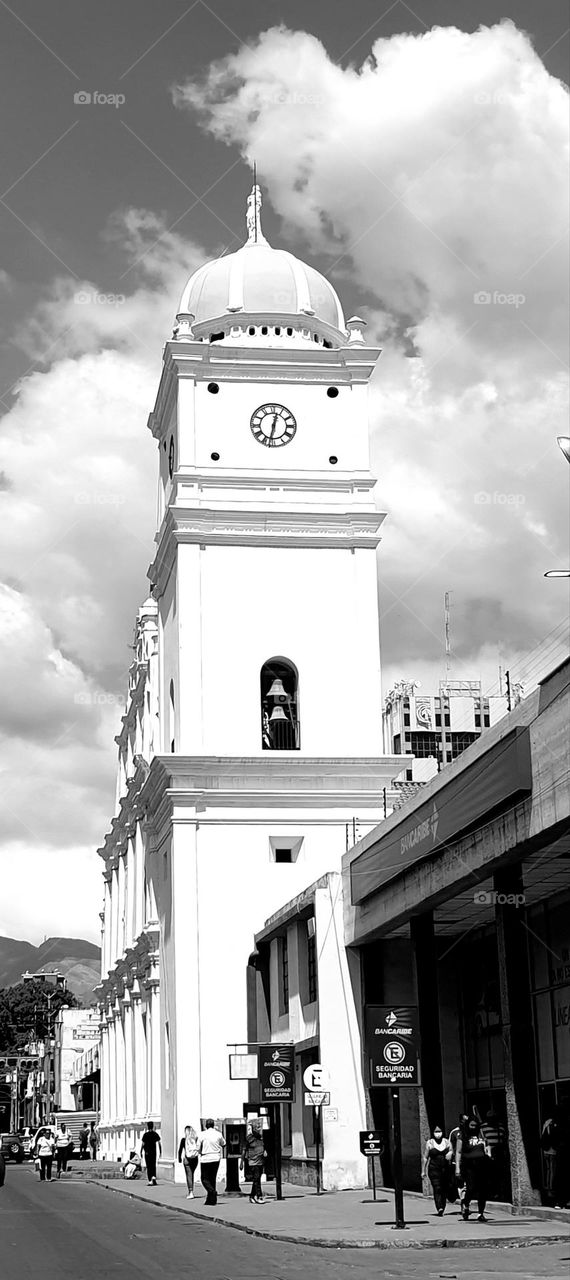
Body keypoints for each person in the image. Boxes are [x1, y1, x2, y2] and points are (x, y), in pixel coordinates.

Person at [456, 1116, 491, 1221]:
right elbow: (458, 1152)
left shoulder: (481, 1135)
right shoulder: (462, 1136)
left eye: (475, 1125)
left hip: (482, 1165)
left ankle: (480, 1213)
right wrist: (457, 1168)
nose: (473, 1127)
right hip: (469, 1165)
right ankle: (465, 1204)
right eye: (471, 1125)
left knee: (483, 1190)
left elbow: (487, 1146)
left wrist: (488, 1153)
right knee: (471, 1188)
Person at [422, 1124, 452, 1215]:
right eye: (436, 1132)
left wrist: (450, 1154)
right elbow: (425, 1157)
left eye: (439, 1131)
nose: (438, 1134)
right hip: (434, 1169)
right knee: (437, 1187)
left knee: (444, 1188)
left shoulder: (446, 1142)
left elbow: (451, 1151)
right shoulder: (430, 1143)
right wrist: (423, 1170)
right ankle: (439, 1207)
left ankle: (443, 1205)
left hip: (445, 1169)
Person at [199, 1118, 226, 1206]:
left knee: (204, 1178)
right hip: (216, 1158)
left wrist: (200, 1152)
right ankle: (211, 1200)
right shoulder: (218, 1134)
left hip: (205, 1158)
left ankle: (212, 1192)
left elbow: (198, 1147)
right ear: (213, 1125)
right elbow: (223, 1144)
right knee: (212, 1178)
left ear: (206, 1125)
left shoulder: (202, 1134)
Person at [481, 1110, 507, 1199]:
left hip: (499, 1154)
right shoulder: (483, 1127)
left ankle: (500, 1192)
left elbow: (504, 1140)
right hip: (488, 1154)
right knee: (490, 1175)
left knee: (499, 1175)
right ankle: (491, 1192)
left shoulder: (500, 1127)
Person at [241, 1119, 266, 1205]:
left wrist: (264, 1151)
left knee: (257, 1179)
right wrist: (242, 1162)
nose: (258, 1129)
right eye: (256, 1128)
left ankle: (252, 1196)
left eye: (259, 1127)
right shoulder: (249, 1138)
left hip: (260, 1161)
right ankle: (259, 1196)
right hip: (253, 1162)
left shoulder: (260, 1137)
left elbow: (263, 1147)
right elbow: (244, 1150)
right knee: (256, 1179)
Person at [177, 1125, 200, 1198]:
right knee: (192, 1173)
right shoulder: (196, 1139)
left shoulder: (184, 1140)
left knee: (189, 1175)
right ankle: (191, 1189)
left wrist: (179, 1159)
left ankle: (191, 1192)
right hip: (195, 1158)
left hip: (187, 1159)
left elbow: (180, 1150)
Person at [141, 1120, 161, 1186]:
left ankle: (150, 1180)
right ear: (153, 1126)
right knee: (153, 1165)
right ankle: (153, 1177)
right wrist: (160, 1151)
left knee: (148, 1166)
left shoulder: (145, 1135)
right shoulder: (155, 1134)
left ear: (147, 1127)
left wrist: (141, 1151)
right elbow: (159, 1143)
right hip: (154, 1152)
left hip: (147, 1152)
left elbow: (143, 1144)